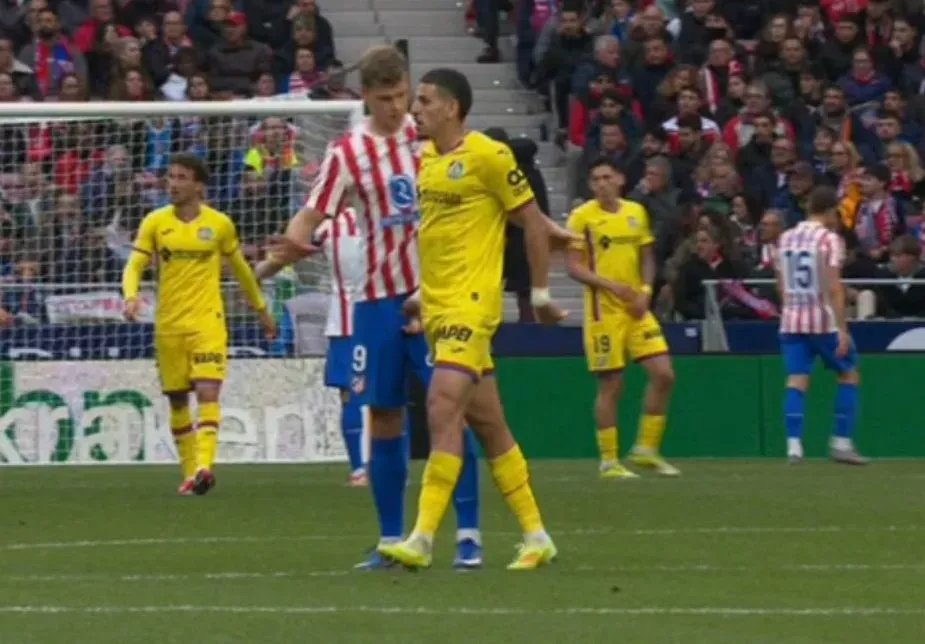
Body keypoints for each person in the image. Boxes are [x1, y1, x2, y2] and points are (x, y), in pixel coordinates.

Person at [256, 45, 484, 570]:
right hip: (378, 302)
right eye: (385, 99)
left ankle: (468, 534)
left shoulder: (428, 136)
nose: (397, 108)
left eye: (403, 96)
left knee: (452, 413)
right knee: (383, 415)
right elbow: (312, 215)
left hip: (436, 297)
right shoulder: (348, 154)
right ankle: (389, 539)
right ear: (366, 97)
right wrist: (292, 241)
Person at [378, 67, 575, 571]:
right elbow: (445, 234)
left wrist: (541, 293)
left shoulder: (489, 155)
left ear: (452, 107)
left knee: (442, 407)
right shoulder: (425, 160)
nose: (415, 109)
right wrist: (423, 294)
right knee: (490, 425)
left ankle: (421, 538)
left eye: (423, 101)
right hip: (441, 306)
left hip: (473, 304)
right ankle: (536, 535)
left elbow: (529, 222)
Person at [122, 153, 276, 496]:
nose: (172, 184)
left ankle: (205, 465)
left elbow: (241, 271)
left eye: (180, 177)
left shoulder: (219, 224)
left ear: (198, 185)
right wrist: (131, 295)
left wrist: (262, 310)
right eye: (170, 177)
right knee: (178, 401)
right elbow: (134, 265)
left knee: (208, 391)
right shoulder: (155, 222)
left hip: (208, 321)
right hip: (169, 325)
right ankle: (191, 473)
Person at [564, 158, 679, 479]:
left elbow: (647, 257)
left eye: (606, 177)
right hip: (604, 313)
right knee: (612, 384)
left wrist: (645, 290)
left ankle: (646, 448)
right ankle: (609, 461)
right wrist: (609, 284)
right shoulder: (582, 217)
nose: (601, 184)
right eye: (595, 179)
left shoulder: (635, 212)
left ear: (620, 179)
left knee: (664, 374)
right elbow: (573, 266)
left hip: (636, 310)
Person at [774, 185, 868, 466]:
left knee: (796, 380)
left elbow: (780, 284)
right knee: (849, 374)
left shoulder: (785, 238)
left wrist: (790, 307)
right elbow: (834, 286)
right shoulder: (828, 239)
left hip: (791, 320)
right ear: (829, 212)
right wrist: (842, 327)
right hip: (822, 319)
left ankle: (793, 447)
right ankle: (840, 442)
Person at [312, 207, 367, 486]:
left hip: (344, 322)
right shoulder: (385, 217)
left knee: (349, 395)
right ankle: (391, 467)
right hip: (380, 315)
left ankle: (359, 469)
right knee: (391, 395)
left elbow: (304, 240)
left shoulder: (327, 227)